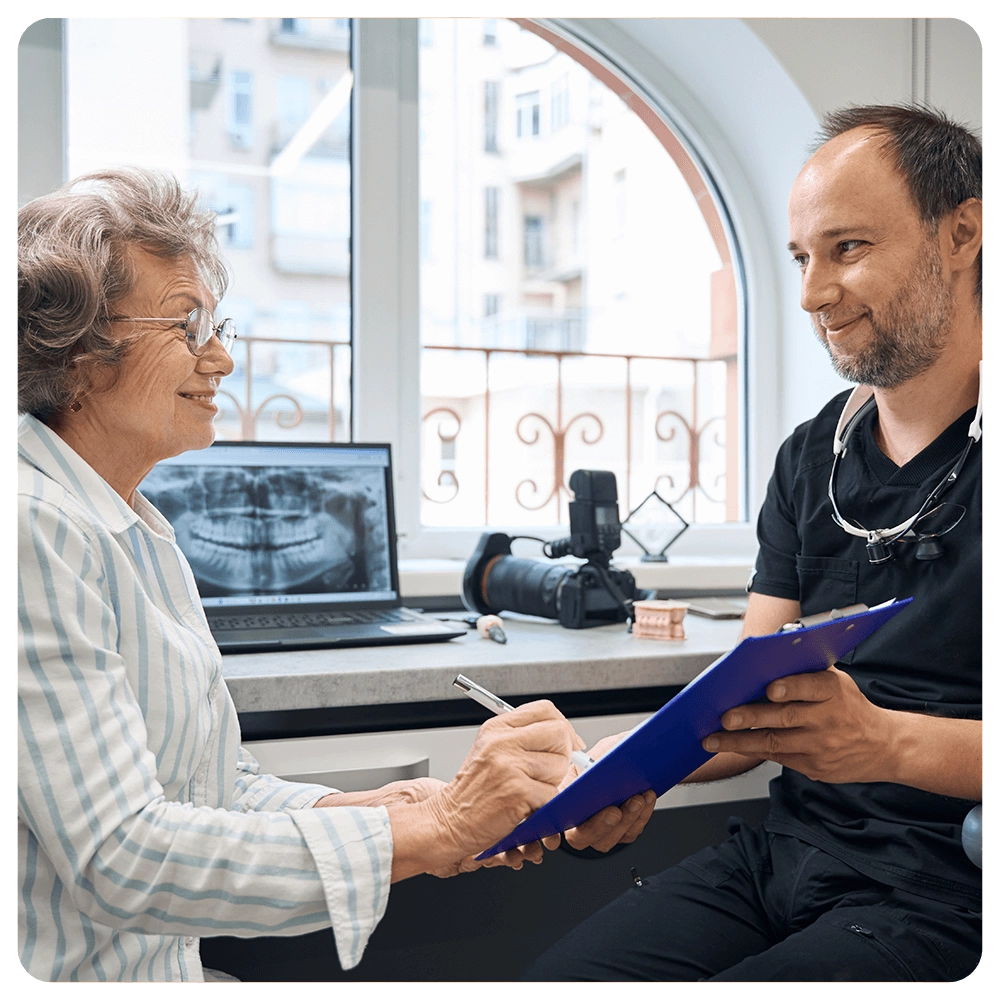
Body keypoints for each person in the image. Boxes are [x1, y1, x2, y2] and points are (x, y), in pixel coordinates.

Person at [15, 168, 656, 983]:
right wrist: (440, 830)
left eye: (218, 327)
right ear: (78, 355)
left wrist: (410, 811)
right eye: (186, 327)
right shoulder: (32, 526)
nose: (220, 360)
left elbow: (214, 795)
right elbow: (122, 857)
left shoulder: (135, 525)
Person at [527, 105, 983, 982]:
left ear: (961, 232)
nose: (813, 295)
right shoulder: (815, 455)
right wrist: (618, 772)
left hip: (947, 885)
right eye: (802, 259)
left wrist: (883, 742)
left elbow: (869, 737)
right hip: (791, 849)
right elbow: (744, 702)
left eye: (848, 248)